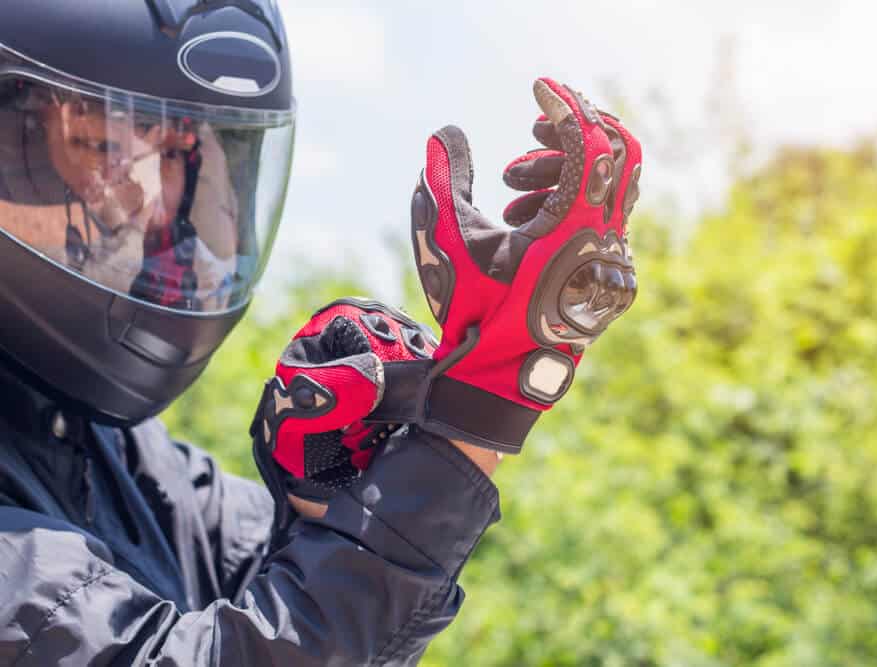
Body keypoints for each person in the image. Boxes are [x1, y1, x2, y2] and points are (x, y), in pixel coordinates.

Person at [0, 1, 642, 665]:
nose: (145, 201)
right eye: (100, 146)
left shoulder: (99, 445)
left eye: (175, 153)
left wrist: (324, 489)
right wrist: (485, 393)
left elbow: (294, 611)